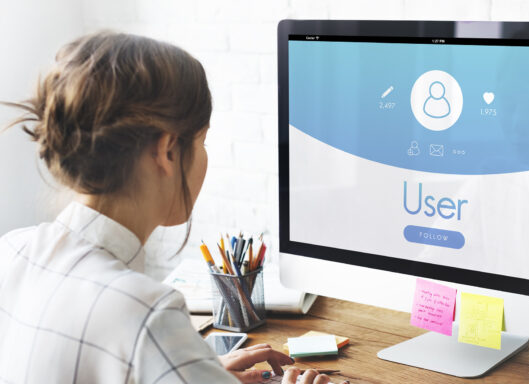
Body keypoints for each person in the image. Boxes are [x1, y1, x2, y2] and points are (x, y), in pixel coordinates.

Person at [0, 31, 346, 384]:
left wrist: (189, 369)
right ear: (167, 151)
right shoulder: (147, 313)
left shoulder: (11, 251)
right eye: (202, 140)